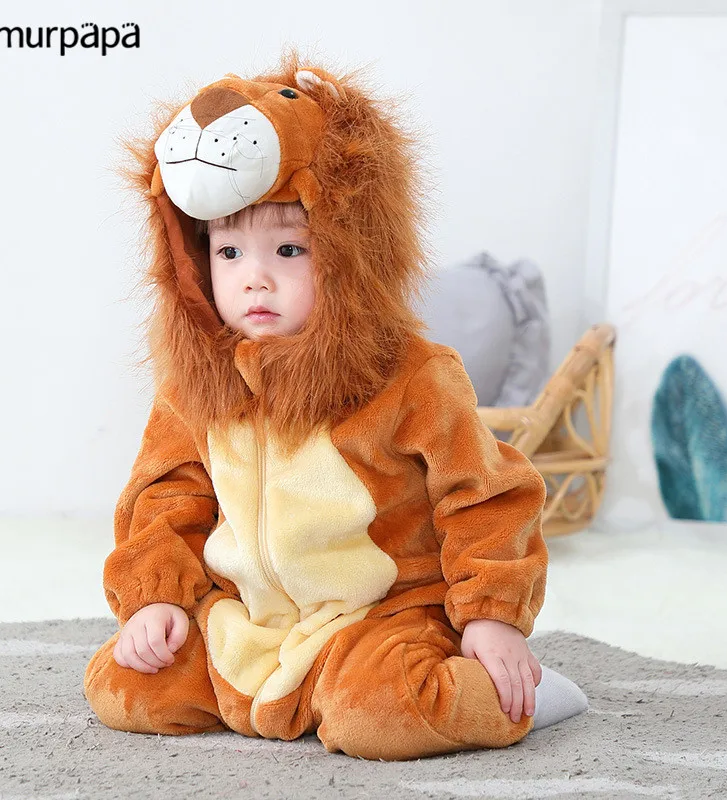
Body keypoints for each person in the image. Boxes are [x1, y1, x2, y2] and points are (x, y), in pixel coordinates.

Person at [84, 50, 588, 760]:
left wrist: (491, 616)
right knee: (124, 686)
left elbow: (485, 496)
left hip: (380, 616)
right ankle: (290, 689)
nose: (255, 279)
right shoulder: (196, 385)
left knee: (377, 717)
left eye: (289, 250)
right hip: (252, 618)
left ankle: (516, 694)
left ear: (351, 253)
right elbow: (166, 498)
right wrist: (157, 599)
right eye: (229, 254)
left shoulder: (411, 376)